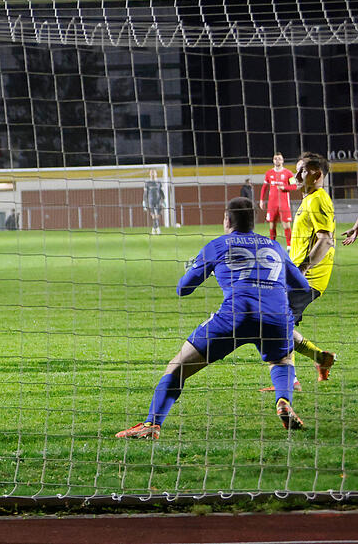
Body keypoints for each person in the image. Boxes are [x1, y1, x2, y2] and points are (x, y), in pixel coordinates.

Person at [116, 197, 309, 440]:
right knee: (281, 361)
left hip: (235, 315)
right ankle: (283, 401)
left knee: (178, 366)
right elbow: (303, 286)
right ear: (254, 221)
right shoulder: (275, 247)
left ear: (227, 220)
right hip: (276, 316)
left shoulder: (217, 245)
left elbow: (183, 289)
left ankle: (151, 424)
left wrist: (196, 267)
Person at [281, 153, 336, 383]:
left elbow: (326, 240)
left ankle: (289, 382)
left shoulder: (318, 199)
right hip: (298, 276)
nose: (296, 176)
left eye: (302, 171)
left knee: (274, 322)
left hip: (308, 279)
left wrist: (303, 269)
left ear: (317, 174)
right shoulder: (308, 200)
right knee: (277, 322)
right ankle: (321, 358)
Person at [259, 153, 295, 249]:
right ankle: (273, 245)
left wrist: (284, 187)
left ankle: (289, 246)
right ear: (273, 160)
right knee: (272, 225)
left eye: (279, 158)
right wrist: (261, 200)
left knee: (286, 225)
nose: (277, 160)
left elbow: (294, 186)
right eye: (275, 159)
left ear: (282, 160)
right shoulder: (269, 173)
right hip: (272, 204)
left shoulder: (289, 173)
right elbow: (264, 187)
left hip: (284, 203)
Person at [143, 169, 165, 235]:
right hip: (151, 201)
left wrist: (164, 200)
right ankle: (157, 229)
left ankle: (154, 229)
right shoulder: (147, 183)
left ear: (156, 174)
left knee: (157, 215)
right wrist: (144, 202)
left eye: (154, 173)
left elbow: (161, 192)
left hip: (158, 201)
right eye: (151, 173)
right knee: (153, 215)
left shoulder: (159, 182)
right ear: (149, 174)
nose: (152, 174)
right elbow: (145, 194)